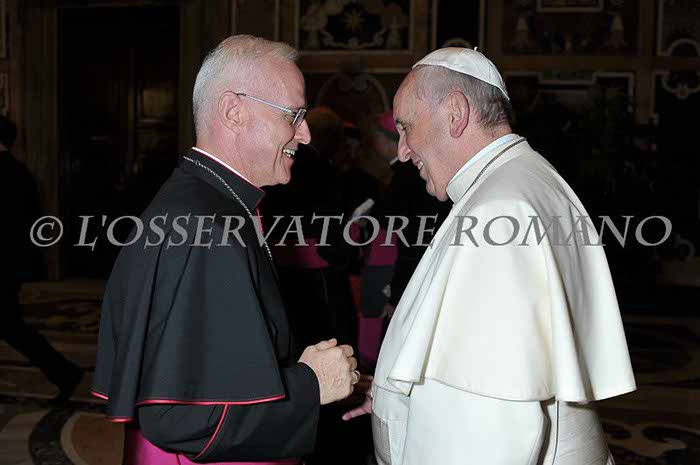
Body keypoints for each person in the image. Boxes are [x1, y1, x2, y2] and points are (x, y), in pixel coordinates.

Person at [343, 48, 637, 465]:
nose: (403, 150)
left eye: (407, 127)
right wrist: (394, 394)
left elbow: (490, 426)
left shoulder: (498, 211)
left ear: (455, 113)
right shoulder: (521, 178)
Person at [92, 35, 360, 465]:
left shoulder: (209, 201)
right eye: (293, 115)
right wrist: (311, 384)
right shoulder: (205, 226)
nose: (305, 134)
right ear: (234, 111)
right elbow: (178, 417)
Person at [0, 114, 84, 403]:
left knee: (12, 328)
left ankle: (65, 373)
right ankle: (64, 373)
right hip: (13, 264)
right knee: (11, 326)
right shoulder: (20, 171)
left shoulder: (7, 173)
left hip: (3, 265)